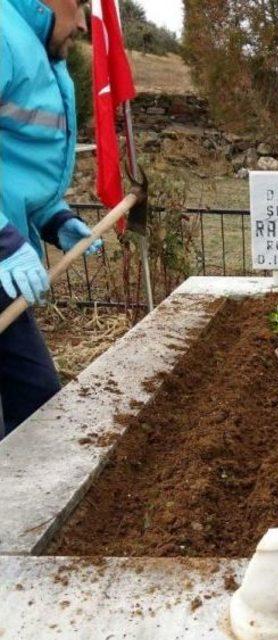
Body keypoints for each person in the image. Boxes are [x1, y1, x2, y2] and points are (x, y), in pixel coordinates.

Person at [0, 0, 101, 436]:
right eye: (79, 4)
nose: (82, 22)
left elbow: (13, 162)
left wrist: (52, 218)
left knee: (36, 405)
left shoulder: (32, 44)